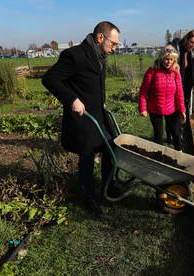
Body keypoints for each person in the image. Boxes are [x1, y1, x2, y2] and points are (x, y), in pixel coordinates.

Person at [42, 21, 120, 218]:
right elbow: (50, 79)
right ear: (100, 37)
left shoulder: (100, 55)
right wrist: (72, 99)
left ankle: (108, 186)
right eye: (114, 43)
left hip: (98, 114)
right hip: (82, 118)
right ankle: (89, 197)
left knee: (112, 148)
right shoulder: (75, 55)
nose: (115, 48)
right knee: (87, 158)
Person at [138, 45, 186, 151]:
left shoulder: (175, 73)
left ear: (174, 60)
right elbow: (143, 91)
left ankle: (180, 155)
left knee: (176, 133)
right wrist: (143, 108)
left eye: (171, 60)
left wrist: (182, 110)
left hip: (172, 109)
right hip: (155, 109)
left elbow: (179, 93)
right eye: (166, 59)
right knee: (158, 135)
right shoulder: (152, 71)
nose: (168, 62)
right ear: (161, 58)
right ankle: (159, 157)